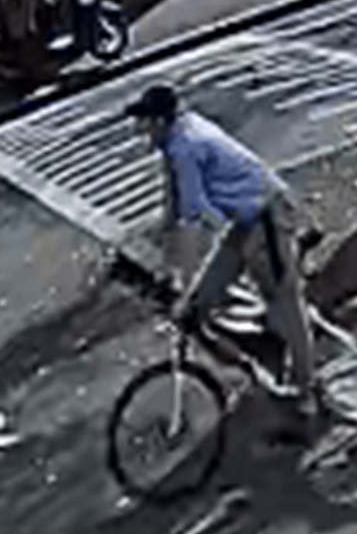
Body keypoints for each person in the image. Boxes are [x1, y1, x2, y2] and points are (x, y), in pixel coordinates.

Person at [124, 84, 316, 410]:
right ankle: (257, 363)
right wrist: (171, 273)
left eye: (143, 122)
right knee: (202, 303)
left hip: (267, 217)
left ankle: (306, 389)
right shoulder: (176, 139)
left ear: (159, 122)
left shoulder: (185, 146)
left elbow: (191, 222)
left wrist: (182, 285)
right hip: (244, 221)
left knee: (285, 305)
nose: (138, 130)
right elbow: (172, 208)